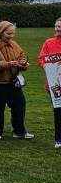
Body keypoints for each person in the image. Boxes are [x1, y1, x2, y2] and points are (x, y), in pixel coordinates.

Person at [0, 21, 32, 140]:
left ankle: (19, 131)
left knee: (19, 105)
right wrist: (8, 64)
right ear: (0, 32)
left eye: (12, 34)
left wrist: (23, 64)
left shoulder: (14, 44)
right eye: (8, 34)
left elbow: (21, 55)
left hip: (12, 82)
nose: (11, 36)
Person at [36, 18, 61, 150]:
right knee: (58, 111)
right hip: (55, 84)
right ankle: (58, 139)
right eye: (56, 26)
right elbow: (41, 59)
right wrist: (46, 65)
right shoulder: (49, 42)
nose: (58, 29)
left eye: (60, 27)